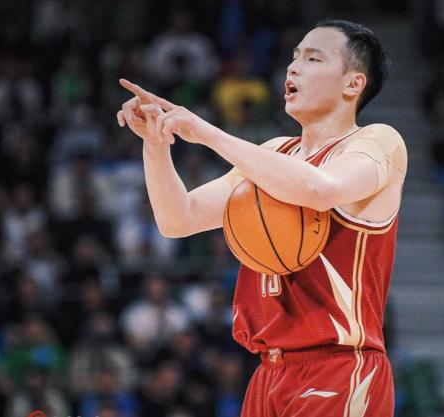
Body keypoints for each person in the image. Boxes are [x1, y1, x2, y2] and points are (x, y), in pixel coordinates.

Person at [117, 19, 406, 417]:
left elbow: (321, 189)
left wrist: (206, 132)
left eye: (312, 58)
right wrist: (155, 144)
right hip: (269, 372)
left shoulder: (378, 142)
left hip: (340, 368)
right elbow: (178, 219)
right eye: (294, 57)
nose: (293, 67)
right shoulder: (273, 153)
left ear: (353, 84)